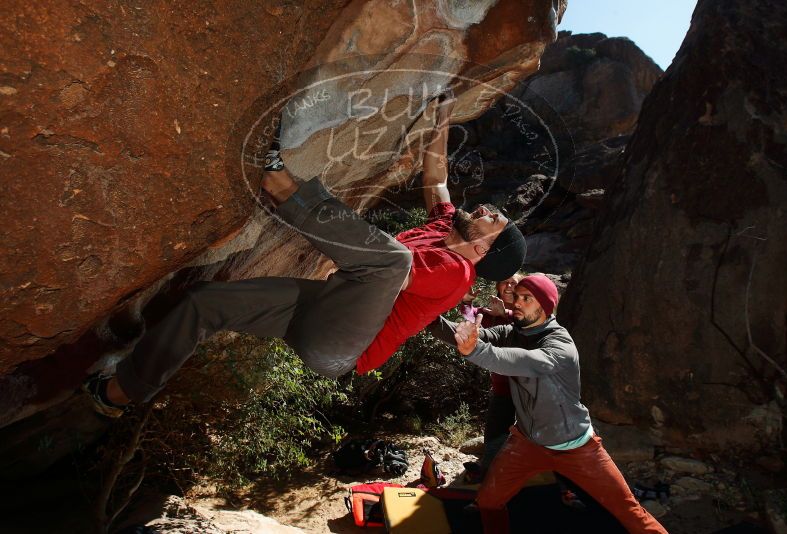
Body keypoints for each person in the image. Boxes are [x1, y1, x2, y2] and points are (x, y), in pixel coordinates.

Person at [83, 92, 527, 417]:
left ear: (485, 248)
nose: (488, 209)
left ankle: (280, 186)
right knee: (204, 302)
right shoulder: (445, 225)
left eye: (495, 219)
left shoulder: (456, 275)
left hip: (342, 347)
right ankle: (120, 393)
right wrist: (443, 116)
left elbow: (387, 270)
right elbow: (437, 177)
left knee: (393, 262)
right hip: (323, 308)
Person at [428, 274, 668, 534]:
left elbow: (521, 361)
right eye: (517, 297)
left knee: (628, 511)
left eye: (526, 299)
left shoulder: (560, 344)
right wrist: (425, 312)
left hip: (577, 447)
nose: (517, 302)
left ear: (545, 306)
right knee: (488, 501)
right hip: (528, 443)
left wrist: (475, 350)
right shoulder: (512, 332)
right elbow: (469, 335)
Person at [458, 274, 522, 476]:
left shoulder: (526, 311)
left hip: (527, 386)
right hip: (502, 385)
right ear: (498, 285)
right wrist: (467, 301)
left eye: (514, 282)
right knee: (495, 428)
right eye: (505, 281)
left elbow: (526, 336)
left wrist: (506, 316)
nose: (509, 285)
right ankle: (490, 470)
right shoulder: (486, 314)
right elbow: (468, 322)